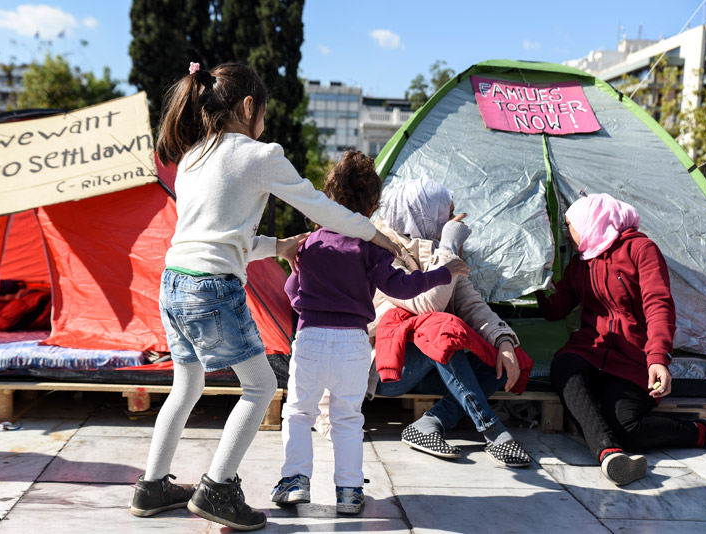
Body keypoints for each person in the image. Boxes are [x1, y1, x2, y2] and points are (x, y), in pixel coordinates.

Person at [129, 62, 400, 531]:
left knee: (186, 385)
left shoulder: (192, 156)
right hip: (213, 288)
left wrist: (279, 247)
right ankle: (218, 487)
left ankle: (151, 486)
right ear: (249, 107)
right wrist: (374, 234)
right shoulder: (259, 154)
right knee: (260, 388)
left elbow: (219, 238)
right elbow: (320, 206)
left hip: (173, 282)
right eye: (264, 112)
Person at [270, 152, 468, 515]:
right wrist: (445, 272)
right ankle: (348, 490)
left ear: (328, 196)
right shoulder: (369, 246)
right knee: (348, 416)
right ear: (373, 205)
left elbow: (291, 294)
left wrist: (292, 265)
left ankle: (295, 481)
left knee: (298, 412)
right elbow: (403, 286)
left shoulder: (310, 243)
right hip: (352, 344)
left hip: (311, 338)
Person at [535, 192, 706, 486]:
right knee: (564, 365)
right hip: (590, 353)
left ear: (591, 222)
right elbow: (556, 309)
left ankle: (699, 432)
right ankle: (609, 455)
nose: (567, 234)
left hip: (632, 358)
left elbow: (659, 304)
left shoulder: (640, 249)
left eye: (570, 225)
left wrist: (658, 359)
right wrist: (537, 280)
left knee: (627, 426)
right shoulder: (581, 263)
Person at [369, 177, 534, 467]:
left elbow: (470, 304)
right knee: (441, 327)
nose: (451, 219)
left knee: (502, 358)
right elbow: (425, 304)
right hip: (388, 370)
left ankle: (430, 423)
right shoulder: (380, 252)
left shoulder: (435, 249)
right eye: (447, 212)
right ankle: (492, 430)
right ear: (423, 212)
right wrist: (448, 247)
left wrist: (504, 340)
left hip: (429, 365)